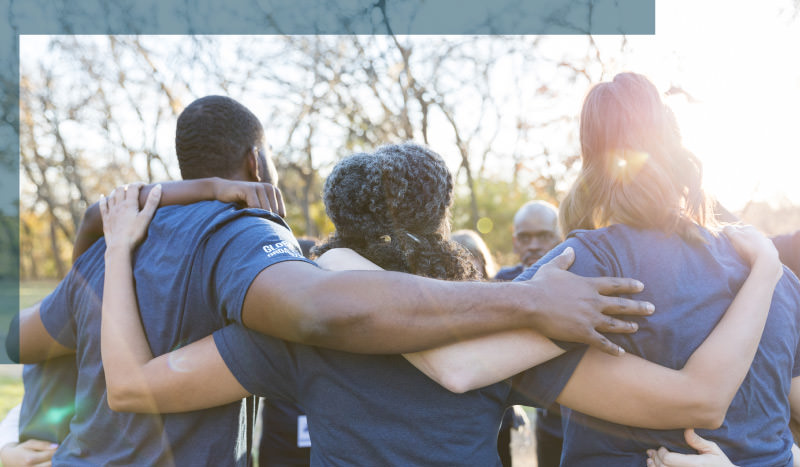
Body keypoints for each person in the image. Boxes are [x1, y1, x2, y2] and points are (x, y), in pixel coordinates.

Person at [9, 95, 652, 465]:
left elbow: (25, 344)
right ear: (255, 160)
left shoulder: (111, 253)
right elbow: (323, 308)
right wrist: (528, 299)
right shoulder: (246, 242)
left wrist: (102, 236)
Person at [97, 142, 778, 465]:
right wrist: (764, 270)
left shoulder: (298, 340)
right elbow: (692, 400)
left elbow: (129, 387)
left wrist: (123, 248)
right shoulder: (510, 328)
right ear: (445, 223)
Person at [506, 72, 800, 465]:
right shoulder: (776, 277)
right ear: (679, 151)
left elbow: (469, 359)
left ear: (591, 157)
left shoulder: (587, 262)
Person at [495, 200, 561, 281]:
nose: (533, 246)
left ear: (560, 240)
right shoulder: (503, 279)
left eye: (544, 237)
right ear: (515, 243)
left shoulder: (574, 280)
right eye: (524, 238)